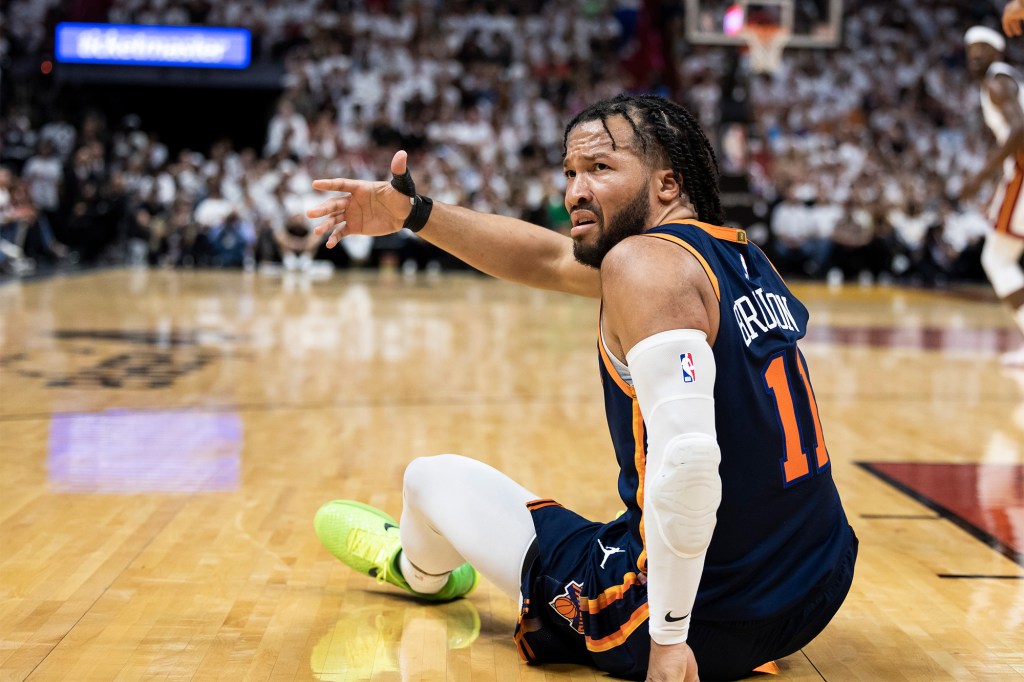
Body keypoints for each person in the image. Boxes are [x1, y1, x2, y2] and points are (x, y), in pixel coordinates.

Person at [307, 94, 857, 681]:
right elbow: (546, 259)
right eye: (570, 172)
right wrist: (415, 215)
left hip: (703, 620)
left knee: (427, 478)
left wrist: (669, 640)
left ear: (667, 184)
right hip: (817, 581)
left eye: (600, 169)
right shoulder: (736, 253)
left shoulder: (643, 268)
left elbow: (689, 465)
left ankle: (418, 571)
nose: (575, 191)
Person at [962, 27, 1024, 365]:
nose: (975, 53)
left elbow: (1019, 129)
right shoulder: (1004, 81)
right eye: (971, 48)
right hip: (1015, 173)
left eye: (983, 47)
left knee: (997, 259)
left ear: (998, 53)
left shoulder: (997, 82)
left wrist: (981, 176)